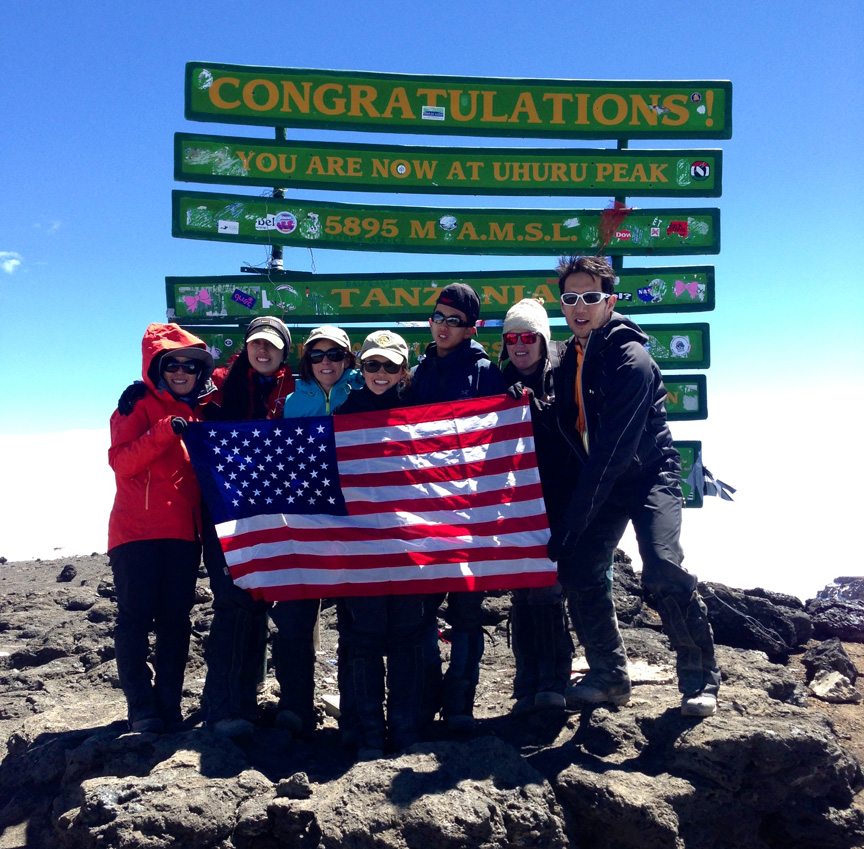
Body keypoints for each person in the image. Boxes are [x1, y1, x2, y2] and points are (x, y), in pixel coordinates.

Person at [548, 255, 720, 717]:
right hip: (605, 479)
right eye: (570, 297)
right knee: (581, 568)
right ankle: (609, 676)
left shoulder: (631, 358)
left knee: (663, 567)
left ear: (610, 300)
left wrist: (573, 520)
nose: (579, 306)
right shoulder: (569, 358)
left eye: (591, 296)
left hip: (648, 475)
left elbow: (613, 451)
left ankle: (701, 679)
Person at [107, 322, 215, 733]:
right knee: (135, 619)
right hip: (136, 534)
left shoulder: (199, 410)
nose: (182, 371)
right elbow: (122, 463)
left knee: (176, 621)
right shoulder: (134, 406)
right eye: (173, 364)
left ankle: (168, 705)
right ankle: (142, 707)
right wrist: (163, 431)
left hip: (183, 537)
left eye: (190, 365)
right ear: (157, 367)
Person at [411, 283, 507, 731]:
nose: (444, 326)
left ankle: (461, 705)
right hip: (424, 511)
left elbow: (502, 437)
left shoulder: (485, 372)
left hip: (470, 512)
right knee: (423, 610)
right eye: (438, 317)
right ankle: (426, 701)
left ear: (471, 328)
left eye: (455, 320)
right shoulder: (420, 370)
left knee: (467, 613)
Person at [199, 316, 295, 739]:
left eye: (271, 346)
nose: (263, 351)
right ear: (246, 345)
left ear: (283, 352)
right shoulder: (217, 385)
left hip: (275, 512)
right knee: (233, 604)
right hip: (224, 511)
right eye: (257, 343)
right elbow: (179, 395)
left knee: (260, 604)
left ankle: (249, 699)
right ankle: (222, 706)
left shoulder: (293, 388)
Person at [334, 330, 426, 758]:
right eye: (372, 365)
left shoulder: (421, 415)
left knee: (407, 636)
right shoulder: (345, 413)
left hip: (408, 546)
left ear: (403, 370)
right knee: (365, 637)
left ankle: (406, 729)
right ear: (361, 368)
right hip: (360, 549)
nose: (381, 373)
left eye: (390, 366)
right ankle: (368, 732)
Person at [271, 325, 364, 734]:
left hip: (358, 522)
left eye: (334, 354)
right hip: (305, 520)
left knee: (355, 621)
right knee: (294, 618)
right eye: (317, 356)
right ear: (306, 362)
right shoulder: (293, 402)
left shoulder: (364, 390)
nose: (326, 363)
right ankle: (295, 705)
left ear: (348, 357)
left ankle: (357, 707)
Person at [498, 299, 574, 715]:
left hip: (557, 500)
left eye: (529, 337)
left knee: (547, 592)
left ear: (543, 339)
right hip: (514, 505)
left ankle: (553, 678)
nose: (520, 345)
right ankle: (526, 677)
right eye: (512, 338)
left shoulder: (566, 376)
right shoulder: (497, 382)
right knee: (522, 595)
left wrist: (542, 413)